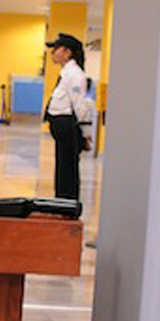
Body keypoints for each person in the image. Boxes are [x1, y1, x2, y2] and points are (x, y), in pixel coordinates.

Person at [45, 32, 92, 200]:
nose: (52, 53)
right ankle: (61, 201)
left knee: (67, 169)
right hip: (62, 126)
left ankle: (68, 203)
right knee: (62, 167)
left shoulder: (74, 75)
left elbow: (79, 106)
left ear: (67, 52)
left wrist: (85, 134)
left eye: (56, 49)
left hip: (68, 126)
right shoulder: (66, 73)